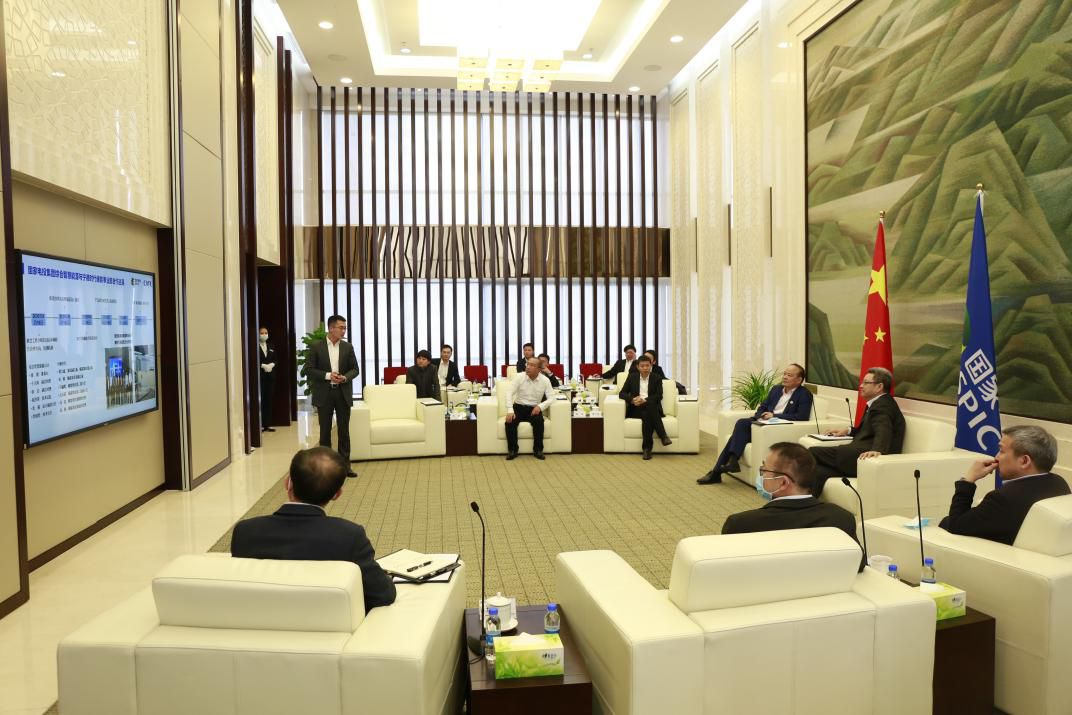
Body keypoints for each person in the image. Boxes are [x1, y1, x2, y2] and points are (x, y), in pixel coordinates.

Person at [231, 447, 396, 612]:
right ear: (337, 495)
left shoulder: (245, 532)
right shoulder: (349, 537)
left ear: (288, 482)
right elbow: (383, 594)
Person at [721, 443, 862, 568]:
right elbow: (858, 565)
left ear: (783, 482)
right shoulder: (842, 518)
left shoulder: (740, 524)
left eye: (764, 470)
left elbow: (726, 571)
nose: (761, 475)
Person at [939, 426, 1069, 545]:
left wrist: (969, 480)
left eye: (1001, 451)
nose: (996, 457)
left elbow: (955, 526)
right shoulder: (1060, 483)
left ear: (1024, 461)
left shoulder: (1003, 498)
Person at [698, 364, 813, 485]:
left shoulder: (804, 394)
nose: (785, 377)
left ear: (799, 380)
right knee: (741, 425)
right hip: (762, 423)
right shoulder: (776, 389)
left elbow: (802, 416)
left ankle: (719, 470)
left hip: (776, 428)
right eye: (784, 374)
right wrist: (760, 415)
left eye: (789, 375)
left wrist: (774, 416)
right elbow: (763, 406)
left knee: (738, 432)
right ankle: (729, 463)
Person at [808, 366, 904, 496]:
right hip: (859, 452)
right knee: (819, 471)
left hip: (864, 456)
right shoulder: (878, 402)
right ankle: (807, 501)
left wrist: (878, 450)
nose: (861, 386)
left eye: (866, 382)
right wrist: (847, 430)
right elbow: (869, 430)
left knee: (812, 452)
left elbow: (883, 428)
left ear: (879, 387)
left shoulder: (882, 405)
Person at [306, 315, 359, 477]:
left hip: (342, 393)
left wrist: (345, 377)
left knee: (344, 432)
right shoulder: (317, 346)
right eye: (341, 327)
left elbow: (355, 369)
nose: (344, 331)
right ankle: (326, 468)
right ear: (331, 328)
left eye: (345, 328)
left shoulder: (347, 347)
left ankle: (345, 466)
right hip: (325, 393)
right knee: (325, 432)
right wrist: (329, 375)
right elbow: (309, 370)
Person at [618, 354, 672, 460]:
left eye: (647, 365)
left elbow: (659, 396)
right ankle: (663, 436)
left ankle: (646, 449)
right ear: (638, 367)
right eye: (642, 366)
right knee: (648, 411)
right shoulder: (632, 377)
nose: (645, 368)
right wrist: (632, 400)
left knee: (647, 413)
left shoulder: (656, 378)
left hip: (650, 407)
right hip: (636, 408)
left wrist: (645, 400)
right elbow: (622, 393)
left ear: (651, 366)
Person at [504, 357, 556, 460]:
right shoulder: (519, 377)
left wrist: (540, 406)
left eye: (532, 365)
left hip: (534, 408)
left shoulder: (545, 380)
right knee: (510, 422)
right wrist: (510, 410)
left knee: (539, 422)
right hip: (518, 407)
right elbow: (508, 393)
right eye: (527, 364)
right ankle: (513, 450)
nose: (528, 367)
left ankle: (538, 450)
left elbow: (552, 398)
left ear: (539, 369)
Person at [258, 325, 277, 433]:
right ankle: (260, 425)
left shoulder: (271, 345)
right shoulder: (255, 346)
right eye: (262, 333)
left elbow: (276, 360)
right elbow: (253, 359)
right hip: (260, 377)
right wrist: (262, 365)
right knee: (261, 401)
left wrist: (272, 365)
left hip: (270, 377)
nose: (264, 335)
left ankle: (267, 424)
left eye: (266, 333)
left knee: (268, 401)